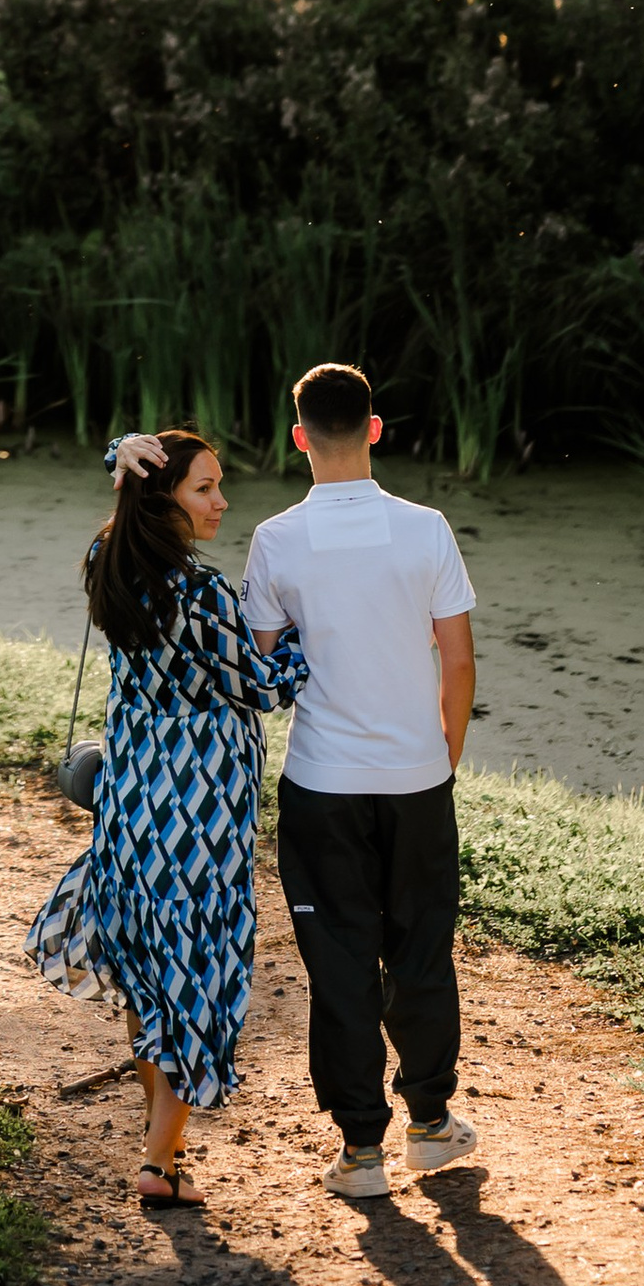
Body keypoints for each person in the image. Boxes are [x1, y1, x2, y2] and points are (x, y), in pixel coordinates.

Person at [26, 426, 308, 1209]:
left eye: (219, 487)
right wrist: (314, 631)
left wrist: (122, 454)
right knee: (198, 972)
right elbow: (262, 686)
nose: (221, 502)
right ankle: (159, 1160)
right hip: (201, 815)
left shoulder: (106, 566)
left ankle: (166, 1147)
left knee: (151, 968)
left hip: (133, 802)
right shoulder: (205, 594)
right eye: (203, 489)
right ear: (165, 497)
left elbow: (118, 505)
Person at [238, 361, 478, 1200]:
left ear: (298, 437)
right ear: (375, 429)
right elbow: (458, 659)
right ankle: (432, 1124)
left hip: (322, 785)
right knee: (421, 945)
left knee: (339, 960)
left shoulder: (275, 540)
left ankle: (361, 1154)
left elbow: (259, 669)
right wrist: (440, 756)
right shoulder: (427, 528)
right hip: (417, 781)